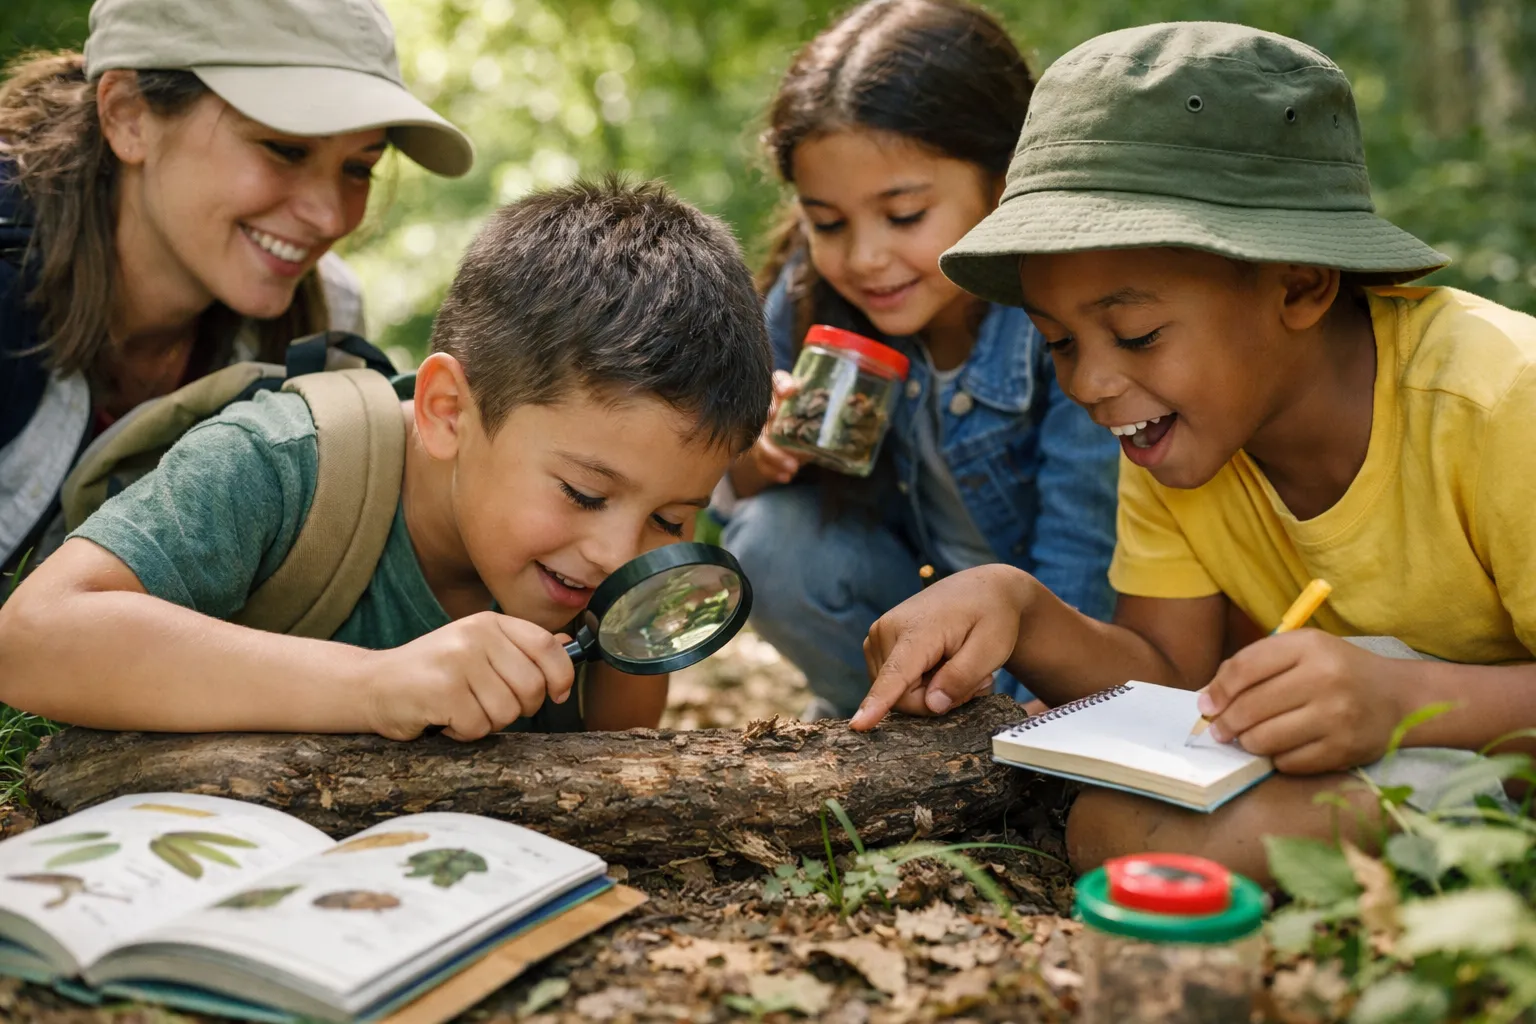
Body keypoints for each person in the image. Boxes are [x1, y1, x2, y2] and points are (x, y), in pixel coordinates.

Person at [853, 22, 1536, 884]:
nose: (1093, 383)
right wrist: (1019, 607)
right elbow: (1171, 677)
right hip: (1370, 748)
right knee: (1113, 823)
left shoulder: (1502, 399)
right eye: (1060, 343)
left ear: (1299, 283)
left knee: (1155, 840)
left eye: (1135, 333)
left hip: (1476, 727)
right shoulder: (1173, 436)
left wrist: (1401, 701)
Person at [0, 178, 772, 737]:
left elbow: (616, 758)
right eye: (582, 492)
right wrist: (377, 686)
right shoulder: (284, 463)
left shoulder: (606, 580)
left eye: (672, 517)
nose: (616, 552)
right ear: (446, 413)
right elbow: (31, 638)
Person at [718, 0, 1121, 719]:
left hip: (1058, 634)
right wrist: (758, 455)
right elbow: (727, 489)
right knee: (771, 540)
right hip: (913, 618)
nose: (867, 258)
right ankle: (893, 727)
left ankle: (1012, 747)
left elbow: (1082, 543)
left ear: (1004, 180)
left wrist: (1044, 719)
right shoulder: (813, 297)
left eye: (904, 215)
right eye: (828, 222)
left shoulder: (1062, 314)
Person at [0, 0, 474, 575]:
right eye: (286, 149)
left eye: (358, 168)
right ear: (128, 116)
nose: (329, 219)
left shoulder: (328, 322)